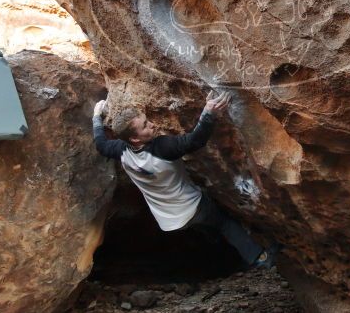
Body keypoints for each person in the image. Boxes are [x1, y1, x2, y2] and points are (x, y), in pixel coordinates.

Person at [92, 91, 278, 268]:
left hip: (169, 221)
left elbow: (101, 144)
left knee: (208, 226)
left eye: (147, 120)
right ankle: (260, 257)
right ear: (134, 139)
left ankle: (219, 249)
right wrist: (208, 114)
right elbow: (194, 141)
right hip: (193, 206)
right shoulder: (162, 148)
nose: (152, 125)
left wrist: (96, 117)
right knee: (225, 223)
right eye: (145, 126)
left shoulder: (121, 150)